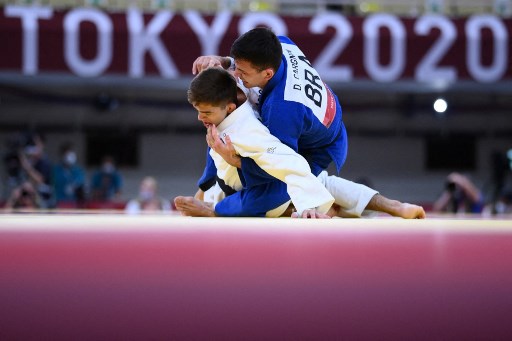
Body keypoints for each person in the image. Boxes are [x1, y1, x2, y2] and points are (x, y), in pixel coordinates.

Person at [190, 27, 425, 219]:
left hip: (318, 144)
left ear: (268, 74)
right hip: (318, 118)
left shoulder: (281, 110)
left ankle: (318, 207)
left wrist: (235, 160)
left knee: (277, 191)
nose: (236, 74)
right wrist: (221, 61)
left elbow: (281, 165)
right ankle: (384, 205)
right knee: (304, 184)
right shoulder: (281, 43)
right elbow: (244, 63)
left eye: (241, 71)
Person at [53, 142, 87, 206]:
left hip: (75, 203)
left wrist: (74, 186)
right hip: (60, 202)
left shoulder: (78, 170)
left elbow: (81, 182)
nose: (70, 156)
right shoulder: (56, 170)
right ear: (63, 155)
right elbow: (55, 183)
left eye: (72, 154)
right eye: (68, 154)